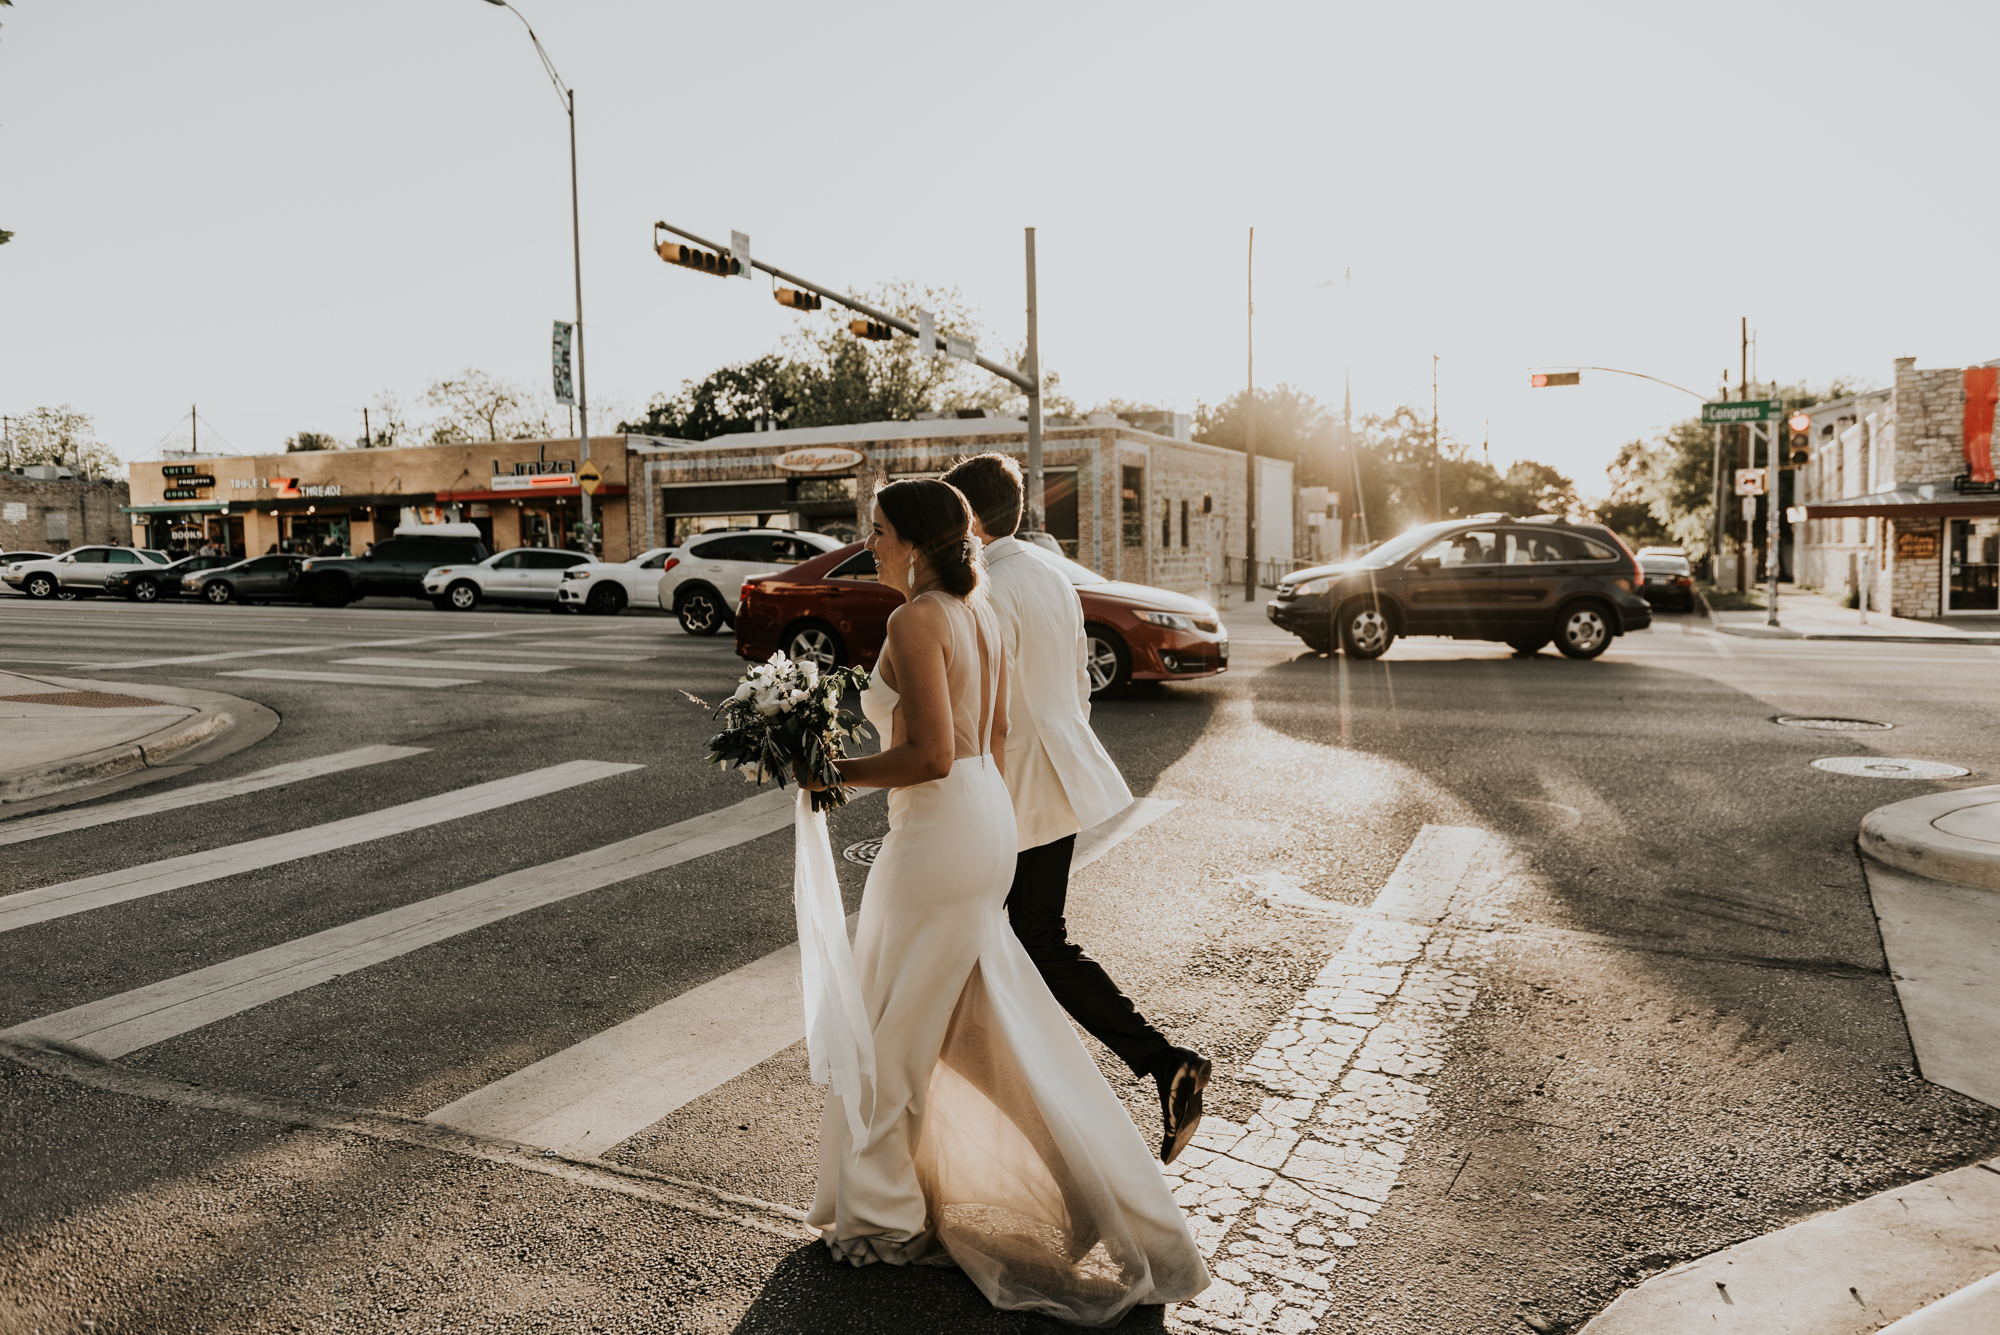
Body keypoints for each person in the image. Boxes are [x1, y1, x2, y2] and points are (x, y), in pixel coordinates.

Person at [798, 478, 1207, 1324]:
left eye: (876, 530)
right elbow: (997, 740)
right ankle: (1095, 1187)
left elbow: (933, 754)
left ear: (914, 541)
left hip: (940, 830)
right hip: (987, 820)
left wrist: (830, 772)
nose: (866, 542)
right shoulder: (980, 610)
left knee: (895, 1025)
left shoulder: (917, 618)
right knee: (991, 1021)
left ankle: (882, 1212)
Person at [942, 452, 1213, 1165]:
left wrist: (969, 791)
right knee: (1030, 940)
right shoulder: (1050, 575)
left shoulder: (988, 588)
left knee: (1007, 943)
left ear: (968, 519)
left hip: (1014, 784)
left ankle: (1067, 1114)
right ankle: (1145, 1071)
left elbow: (984, 711)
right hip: (1058, 773)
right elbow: (1075, 681)